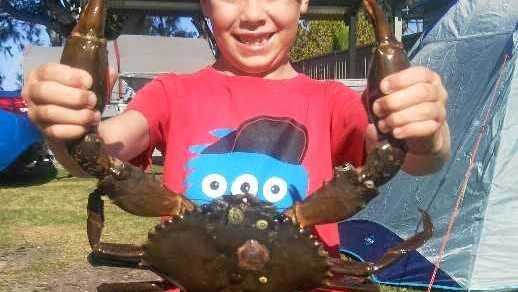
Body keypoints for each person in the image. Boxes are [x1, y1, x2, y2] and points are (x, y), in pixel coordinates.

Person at [23, 0, 450, 289]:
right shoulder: (170, 93)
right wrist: (68, 125)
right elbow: (100, 154)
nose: (251, 13)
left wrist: (424, 134)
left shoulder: (331, 100)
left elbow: (404, 155)